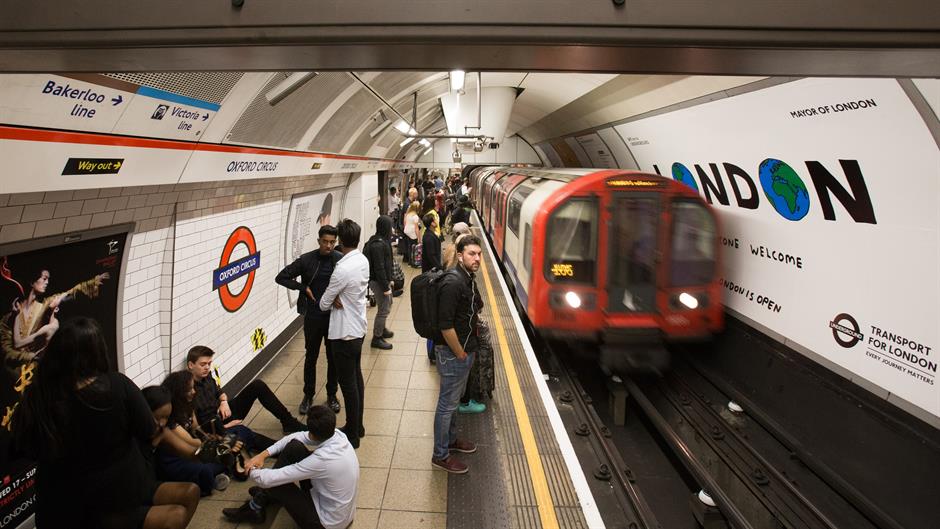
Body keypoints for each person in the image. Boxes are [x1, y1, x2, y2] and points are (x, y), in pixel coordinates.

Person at [12, 317, 198, 529]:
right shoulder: (117, 386)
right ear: (97, 352)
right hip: (109, 503)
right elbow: (150, 430)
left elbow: (24, 448)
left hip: (57, 507)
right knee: (177, 513)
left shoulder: (37, 397)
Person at [222, 405, 360, 528]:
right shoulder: (338, 435)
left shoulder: (322, 460)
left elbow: (267, 479)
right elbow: (296, 437)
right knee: (294, 447)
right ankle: (263, 497)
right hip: (340, 511)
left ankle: (255, 507)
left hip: (326, 524)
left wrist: (247, 465)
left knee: (276, 483)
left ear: (312, 432)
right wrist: (263, 455)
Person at [430, 236, 484, 474]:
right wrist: (460, 353)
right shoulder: (453, 282)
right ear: (460, 255)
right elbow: (445, 325)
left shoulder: (467, 277)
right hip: (453, 353)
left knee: (451, 403)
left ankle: (451, 441)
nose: (477, 258)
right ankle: (440, 455)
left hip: (463, 350)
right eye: (472, 254)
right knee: (446, 405)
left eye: (479, 254)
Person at [276, 225, 343, 416]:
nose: (328, 246)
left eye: (332, 242)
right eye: (325, 242)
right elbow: (281, 277)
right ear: (318, 241)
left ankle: (332, 395)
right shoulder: (307, 260)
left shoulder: (339, 260)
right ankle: (308, 395)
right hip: (313, 317)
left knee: (333, 357)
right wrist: (302, 287)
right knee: (311, 357)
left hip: (333, 317)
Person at [186, 345, 306, 443]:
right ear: (191, 365)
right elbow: (199, 427)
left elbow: (219, 391)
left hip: (224, 412)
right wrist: (227, 427)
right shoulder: (187, 389)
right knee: (248, 435)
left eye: (209, 363)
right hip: (215, 426)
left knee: (257, 385)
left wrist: (223, 402)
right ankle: (281, 448)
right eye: (203, 364)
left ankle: (289, 422)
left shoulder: (206, 376)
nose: (207, 367)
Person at [318, 219, 369, 449]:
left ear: (339, 240)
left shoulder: (342, 268)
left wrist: (334, 298)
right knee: (357, 379)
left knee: (348, 385)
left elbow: (323, 303)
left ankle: (352, 433)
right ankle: (358, 426)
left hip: (343, 334)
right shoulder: (362, 260)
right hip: (358, 328)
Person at [159, 370, 243, 495]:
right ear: (178, 393)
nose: (193, 392)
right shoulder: (170, 420)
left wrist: (214, 438)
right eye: (189, 390)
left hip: (192, 450)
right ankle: (211, 480)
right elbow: (192, 443)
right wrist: (217, 443)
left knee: (236, 437)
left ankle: (223, 469)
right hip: (178, 457)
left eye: (193, 388)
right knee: (208, 467)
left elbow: (196, 428)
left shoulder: (188, 405)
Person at [363, 215, 395, 350]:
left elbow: (387, 262)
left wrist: (390, 279)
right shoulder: (377, 245)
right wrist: (385, 287)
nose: (392, 229)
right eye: (390, 226)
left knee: (388, 304)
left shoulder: (381, 240)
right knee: (383, 308)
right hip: (378, 281)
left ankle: (382, 329)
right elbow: (379, 268)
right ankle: (377, 337)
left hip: (382, 280)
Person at [402, 201, 422, 266]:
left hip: (407, 231)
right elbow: (416, 228)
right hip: (412, 233)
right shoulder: (415, 216)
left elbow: (404, 223)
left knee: (409, 247)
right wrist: (419, 238)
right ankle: (414, 262)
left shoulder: (408, 214)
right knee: (414, 249)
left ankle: (410, 262)